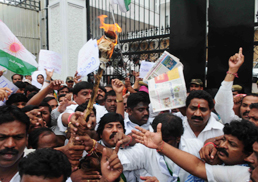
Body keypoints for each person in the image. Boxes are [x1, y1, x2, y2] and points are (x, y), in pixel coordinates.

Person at [132, 119, 258, 182]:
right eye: (223, 140)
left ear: (248, 154)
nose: (223, 145)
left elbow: (197, 166)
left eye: (232, 144)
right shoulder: (215, 159)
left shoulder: (243, 174)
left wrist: (161, 145)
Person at [215, 48, 258, 123]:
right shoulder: (236, 125)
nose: (247, 109)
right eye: (244, 105)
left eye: (252, 106)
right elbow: (221, 104)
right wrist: (232, 70)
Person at [0, 105, 30, 182]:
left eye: (18, 137)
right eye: (1, 138)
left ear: (26, 138)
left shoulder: (44, 172)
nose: (10, 144)